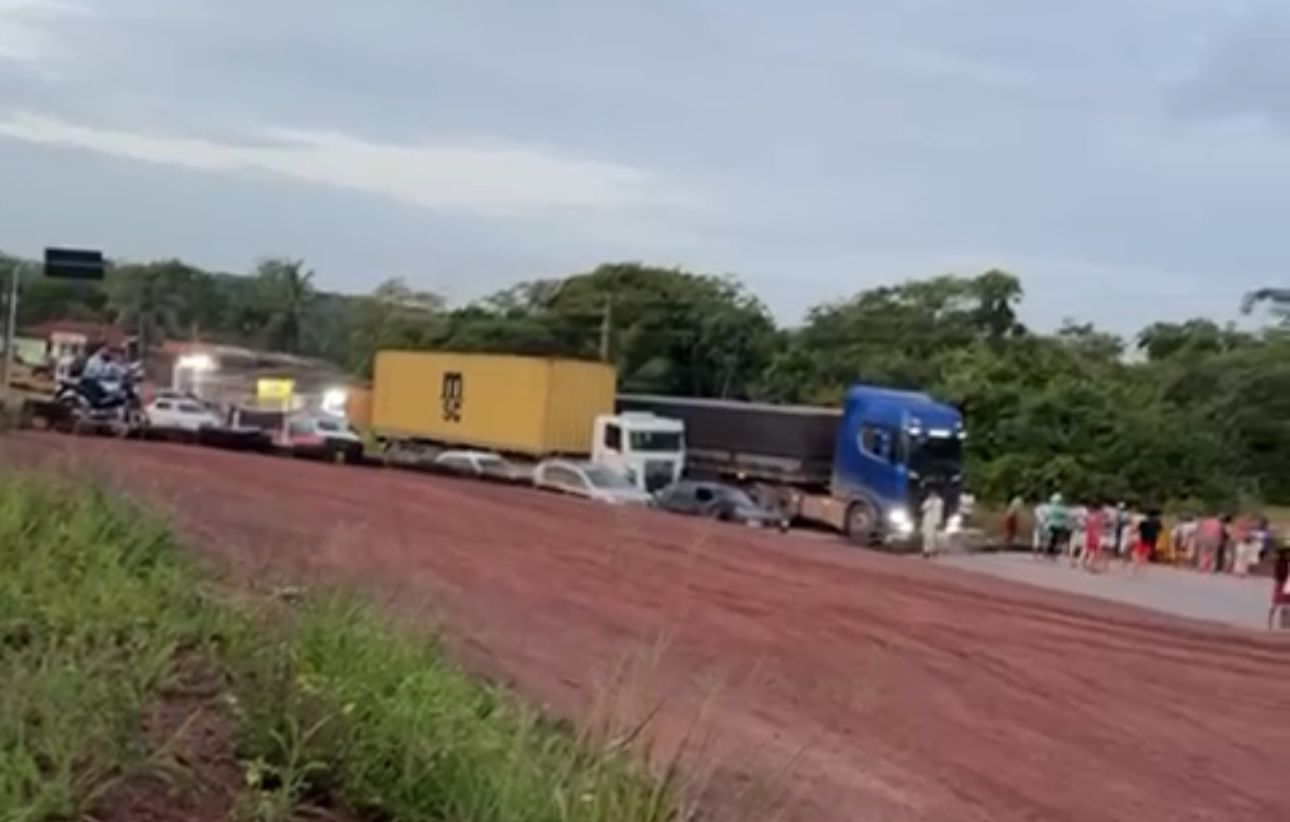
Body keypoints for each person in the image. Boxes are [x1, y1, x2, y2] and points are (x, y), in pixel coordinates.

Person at [1134, 509, 1162, 573]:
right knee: (1148, 552)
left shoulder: (1144, 521)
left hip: (1143, 537)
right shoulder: (1157, 521)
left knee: (1140, 552)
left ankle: (1138, 565)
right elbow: (1160, 529)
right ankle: (1144, 566)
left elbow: (1138, 529)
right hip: (1153, 538)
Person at [1269, 544, 1290, 630]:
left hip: (1284, 583)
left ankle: (1283, 624)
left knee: (1282, 604)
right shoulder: (1281, 563)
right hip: (1282, 583)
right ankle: (1277, 623)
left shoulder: (1282, 562)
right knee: (1279, 604)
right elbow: (1278, 574)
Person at [1043, 493, 1070, 560]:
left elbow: (1047, 515)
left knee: (1051, 539)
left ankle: (1048, 552)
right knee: (1055, 539)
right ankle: (1051, 553)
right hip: (1058, 525)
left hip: (1051, 524)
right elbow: (1066, 515)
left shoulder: (1051, 507)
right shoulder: (1062, 508)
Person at [920, 491, 945, 559]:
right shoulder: (928, 501)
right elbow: (923, 508)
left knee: (934, 537)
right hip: (927, 521)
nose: (932, 496)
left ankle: (934, 551)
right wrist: (930, 503)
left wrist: (938, 521)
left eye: (933, 495)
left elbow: (939, 512)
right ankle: (926, 551)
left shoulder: (939, 502)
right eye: (931, 495)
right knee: (926, 537)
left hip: (935, 521)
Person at [1083, 502, 1106, 572]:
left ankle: (1087, 563)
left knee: (1089, 550)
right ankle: (1090, 565)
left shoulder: (1089, 516)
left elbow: (1086, 525)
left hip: (1089, 534)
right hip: (1095, 535)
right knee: (1094, 551)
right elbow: (1102, 525)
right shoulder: (1099, 516)